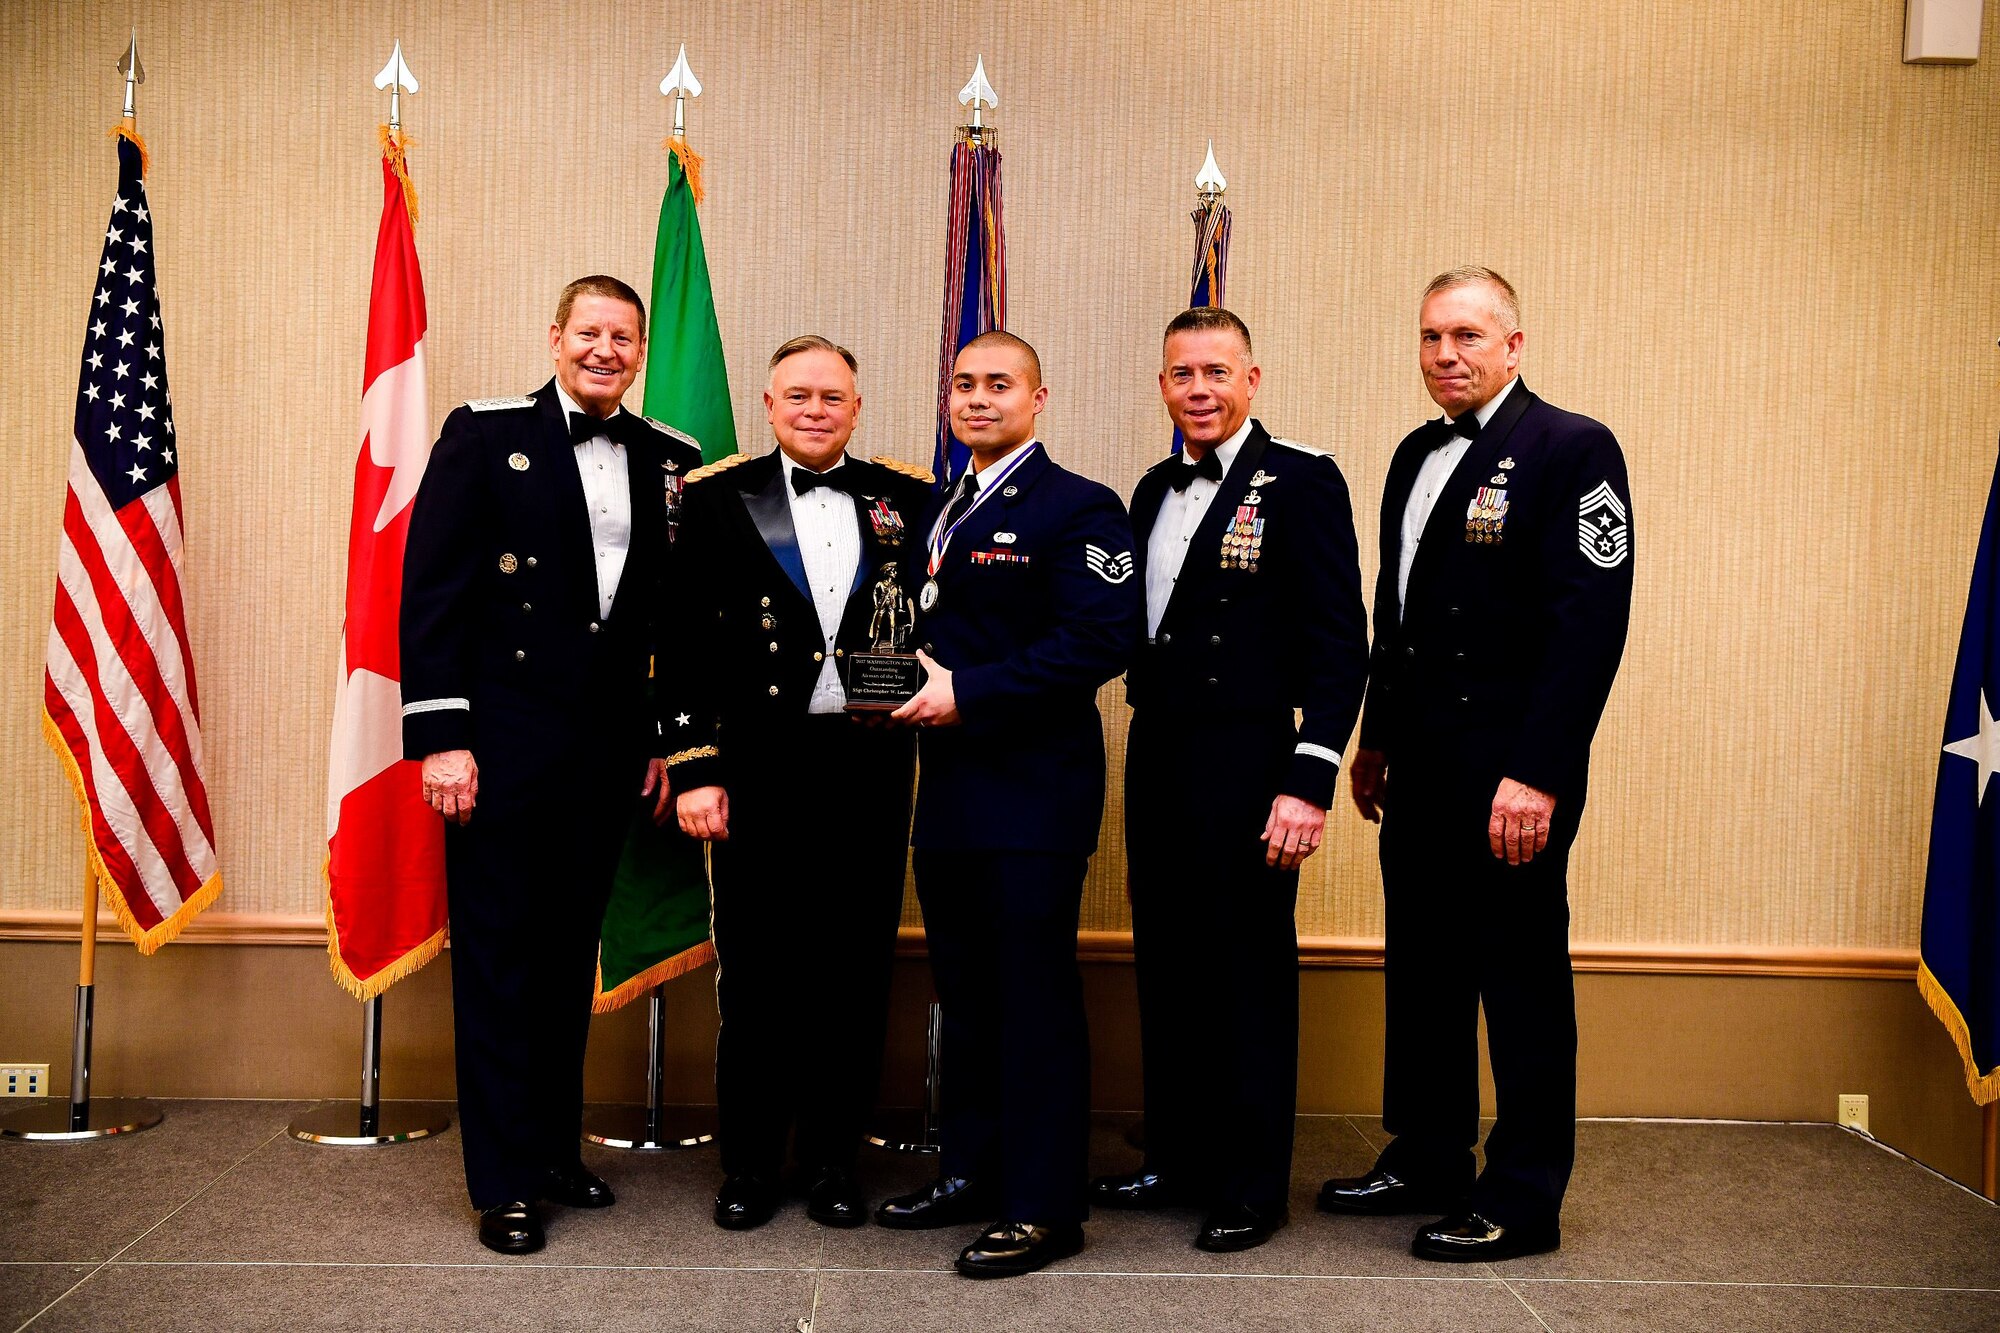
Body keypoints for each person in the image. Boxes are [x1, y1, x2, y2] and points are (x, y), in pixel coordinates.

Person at [1319, 266, 1633, 1262]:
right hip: (1419, 760)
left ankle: (1524, 1193)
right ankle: (1425, 1152)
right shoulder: (1413, 453)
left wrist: (1537, 770)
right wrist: (1374, 735)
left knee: (1519, 973)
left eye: (1464, 335)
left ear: (1512, 344)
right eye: (1428, 337)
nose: (1444, 355)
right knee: (1424, 963)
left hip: (1509, 765)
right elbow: (1395, 616)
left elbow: (1587, 626)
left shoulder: (1570, 448)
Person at [400, 275, 698, 1255]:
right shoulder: (484, 436)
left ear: (641, 349)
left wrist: (663, 739)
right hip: (500, 747)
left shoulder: (669, 460)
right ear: (555, 335)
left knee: (569, 956)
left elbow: (663, 625)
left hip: (605, 751)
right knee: (498, 962)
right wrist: (441, 737)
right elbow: (432, 592)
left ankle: (553, 1148)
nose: (604, 349)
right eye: (589, 332)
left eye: (623, 336)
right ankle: (506, 1179)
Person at [1092, 307, 1369, 1251]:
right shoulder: (1147, 489)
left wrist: (1311, 777)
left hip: (1252, 758)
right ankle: (1177, 1155)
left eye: (1217, 371)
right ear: (1162, 385)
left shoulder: (1300, 479)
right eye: (1181, 374)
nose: (1199, 389)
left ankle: (1251, 1183)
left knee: (1247, 968)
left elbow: (1342, 644)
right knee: (1167, 959)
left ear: (1254, 378)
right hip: (1160, 747)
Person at [874, 331, 1144, 1278]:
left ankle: (1043, 1206)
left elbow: (1102, 638)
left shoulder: (1079, 507)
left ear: (1039, 397)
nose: (978, 399)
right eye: (963, 384)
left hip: (1034, 796)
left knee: (1031, 1001)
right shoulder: (946, 506)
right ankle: (972, 1171)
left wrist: (970, 693)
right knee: (971, 995)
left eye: (999, 385)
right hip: (948, 793)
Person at [662, 335, 929, 1232]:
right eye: (798, 396)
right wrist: (696, 769)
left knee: (852, 975)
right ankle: (748, 1165)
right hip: (758, 771)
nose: (815, 410)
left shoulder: (910, 498)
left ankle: (831, 1163)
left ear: (858, 409)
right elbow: (683, 643)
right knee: (759, 975)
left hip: (867, 766)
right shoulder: (710, 498)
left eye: (833, 397)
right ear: (769, 406)